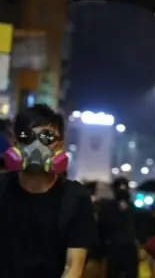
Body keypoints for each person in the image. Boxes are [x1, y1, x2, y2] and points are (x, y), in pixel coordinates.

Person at [0, 104, 98, 278]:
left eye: (46, 137)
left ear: (60, 145)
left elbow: (73, 267)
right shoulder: (2, 189)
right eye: (27, 136)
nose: (36, 146)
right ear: (16, 144)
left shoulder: (75, 198)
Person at [100, 177, 140, 278]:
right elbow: (105, 225)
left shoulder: (131, 206)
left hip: (128, 246)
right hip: (114, 247)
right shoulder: (109, 207)